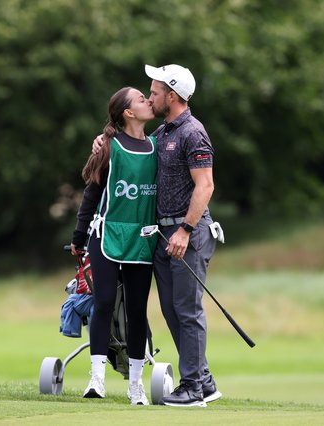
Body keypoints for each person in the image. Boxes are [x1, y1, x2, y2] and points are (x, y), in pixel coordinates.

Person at [92, 64, 221, 407]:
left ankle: (193, 386)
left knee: (186, 309)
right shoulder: (163, 134)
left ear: (172, 96)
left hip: (186, 232)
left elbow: (205, 185)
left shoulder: (193, 132)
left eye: (155, 92)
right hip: (163, 234)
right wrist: (105, 139)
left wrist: (185, 229)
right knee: (171, 309)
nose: (150, 97)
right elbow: (130, 147)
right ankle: (204, 381)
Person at [71, 86, 158, 405]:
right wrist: (78, 238)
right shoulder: (108, 146)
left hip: (143, 237)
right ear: (128, 113)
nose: (148, 101)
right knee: (104, 302)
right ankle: (97, 378)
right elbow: (91, 195)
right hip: (105, 234)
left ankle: (136, 385)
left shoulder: (157, 145)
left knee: (137, 310)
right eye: (140, 99)